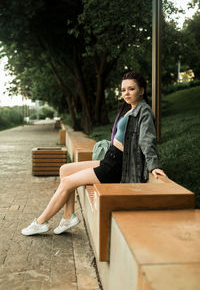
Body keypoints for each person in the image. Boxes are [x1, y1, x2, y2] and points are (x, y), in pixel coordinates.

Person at [21, 71, 166, 236]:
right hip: (110, 159)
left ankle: (41, 222)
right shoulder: (130, 108)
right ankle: (68, 217)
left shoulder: (144, 111)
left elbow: (147, 140)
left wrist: (154, 165)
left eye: (131, 89)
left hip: (117, 166)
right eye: (123, 89)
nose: (126, 93)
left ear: (142, 90)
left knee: (68, 182)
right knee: (65, 170)